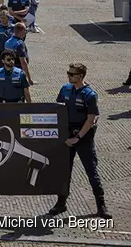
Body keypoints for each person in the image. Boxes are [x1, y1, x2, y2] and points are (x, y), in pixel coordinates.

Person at [49, 63, 112, 219]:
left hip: (83, 137)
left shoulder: (89, 95)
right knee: (64, 171)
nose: (69, 75)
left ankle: (101, 205)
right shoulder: (65, 89)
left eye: (72, 74)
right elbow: (57, 109)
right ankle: (61, 203)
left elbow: (91, 120)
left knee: (92, 171)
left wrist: (76, 138)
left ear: (81, 76)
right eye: (68, 73)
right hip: (67, 135)